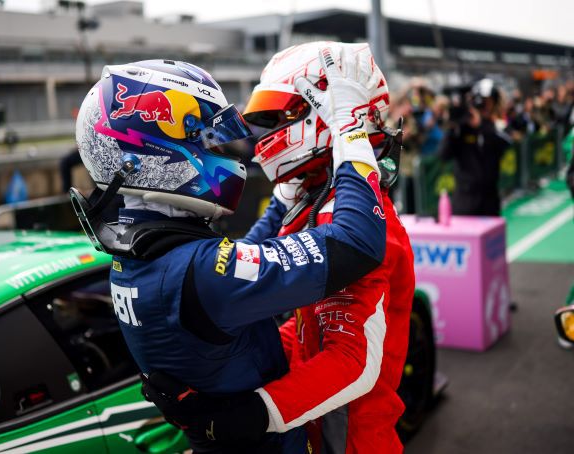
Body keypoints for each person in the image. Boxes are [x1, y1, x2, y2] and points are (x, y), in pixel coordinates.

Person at [71, 53, 388, 453]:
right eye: (203, 138)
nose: (225, 151)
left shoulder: (137, 252)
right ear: (153, 153)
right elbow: (356, 242)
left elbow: (242, 258)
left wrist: (283, 195)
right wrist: (349, 128)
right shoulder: (198, 272)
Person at [142, 42, 415, 453]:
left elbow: (353, 361)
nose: (264, 133)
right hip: (317, 426)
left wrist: (254, 412)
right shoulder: (315, 200)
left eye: (276, 115)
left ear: (327, 113)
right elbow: (307, 325)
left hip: (354, 439)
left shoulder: (356, 217)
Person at [440, 78, 511, 216]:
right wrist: (454, 128)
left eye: (488, 101)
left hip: (490, 201)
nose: (484, 106)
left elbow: (506, 143)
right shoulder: (462, 128)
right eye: (481, 101)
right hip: (465, 201)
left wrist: (481, 125)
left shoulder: (495, 126)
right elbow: (443, 154)